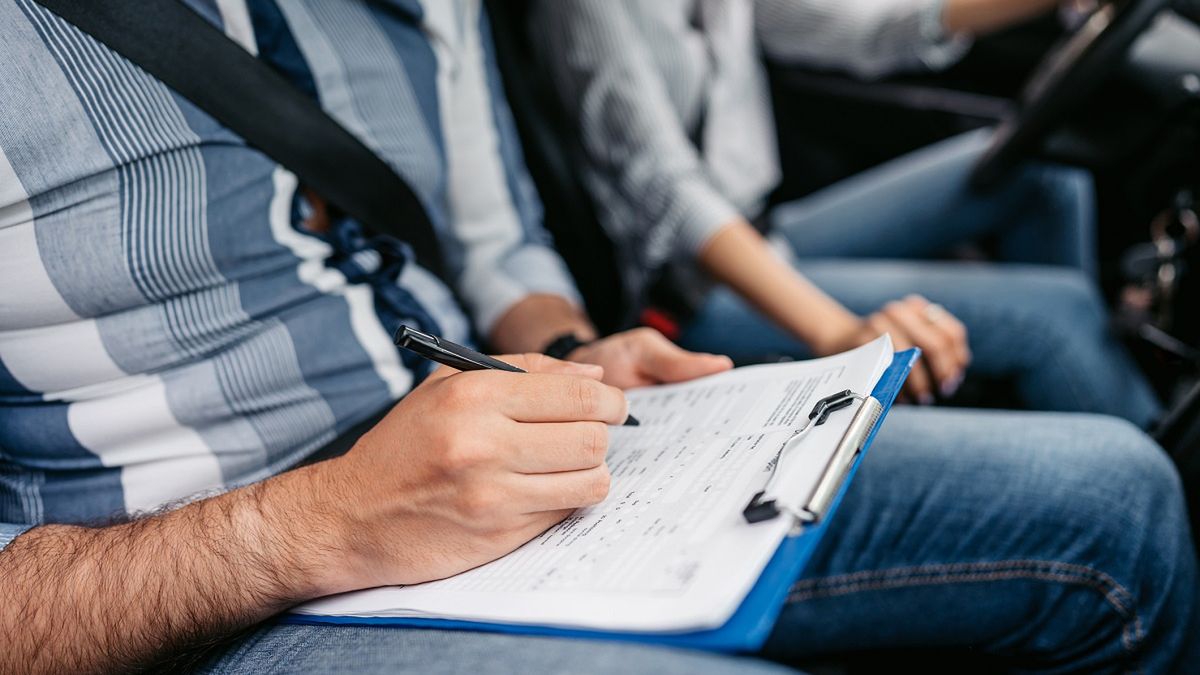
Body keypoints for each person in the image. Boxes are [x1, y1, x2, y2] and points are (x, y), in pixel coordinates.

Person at [0, 1, 1196, 673]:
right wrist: (304, 525)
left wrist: (569, 349)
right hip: (213, 588)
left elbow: (498, 249)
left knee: (1121, 493)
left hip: (499, 452)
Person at [530, 0, 1163, 427]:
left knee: (1044, 173)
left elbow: (865, 28)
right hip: (695, 287)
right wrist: (837, 334)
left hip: (769, 225)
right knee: (1058, 317)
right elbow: (666, 189)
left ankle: (1045, 408)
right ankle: (1149, 465)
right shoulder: (584, 11)